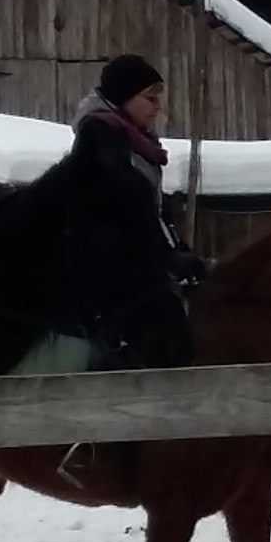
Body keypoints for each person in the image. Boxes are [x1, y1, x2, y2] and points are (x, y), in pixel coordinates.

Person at [69, 54, 207, 368]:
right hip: (110, 272)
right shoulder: (101, 137)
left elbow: (153, 210)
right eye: (149, 97)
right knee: (165, 330)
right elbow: (123, 210)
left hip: (140, 263)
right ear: (123, 98)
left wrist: (178, 248)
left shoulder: (137, 141)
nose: (158, 106)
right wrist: (164, 257)